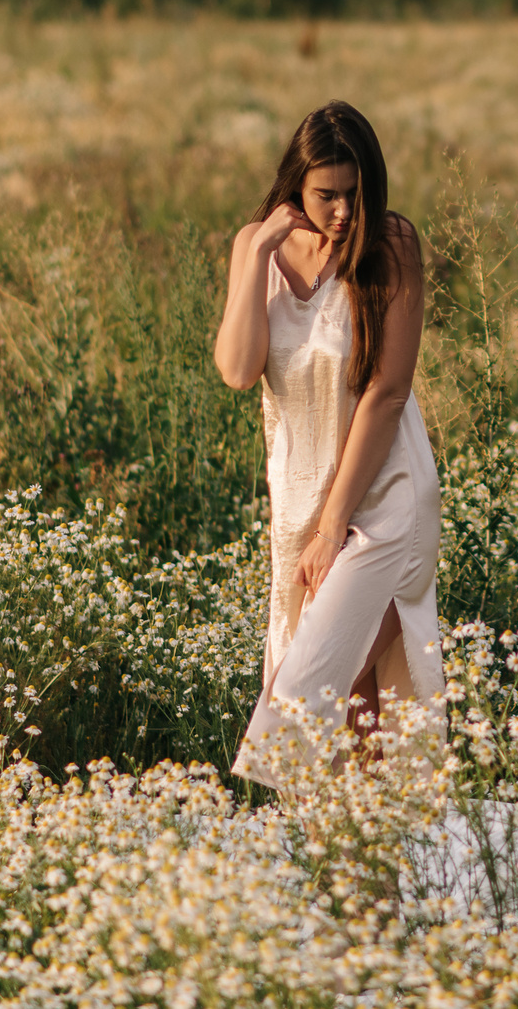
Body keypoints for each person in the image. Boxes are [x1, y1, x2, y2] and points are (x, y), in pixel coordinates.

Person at [212, 101, 442, 782]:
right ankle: (361, 866)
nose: (343, 211)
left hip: (383, 498)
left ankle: (360, 861)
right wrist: (255, 252)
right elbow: (237, 368)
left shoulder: (391, 244)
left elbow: (388, 392)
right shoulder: (257, 244)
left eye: (354, 192)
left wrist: (334, 524)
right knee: (352, 707)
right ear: (295, 185)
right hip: (299, 508)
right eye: (326, 195)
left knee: (306, 696)